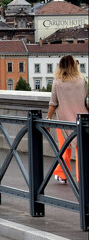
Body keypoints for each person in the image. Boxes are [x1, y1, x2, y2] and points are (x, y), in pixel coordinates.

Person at [46, 54, 87, 184]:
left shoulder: (57, 82)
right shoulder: (82, 81)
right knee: (81, 150)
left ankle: (62, 174)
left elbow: (53, 103)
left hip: (64, 121)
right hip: (82, 120)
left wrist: (48, 119)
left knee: (64, 148)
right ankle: (82, 177)